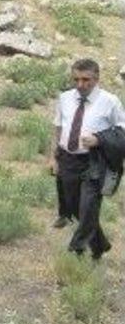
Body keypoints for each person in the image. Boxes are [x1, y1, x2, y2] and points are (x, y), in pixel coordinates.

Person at [51, 58, 125, 259]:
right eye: (76, 79)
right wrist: (54, 157)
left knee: (88, 207)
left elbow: (122, 131)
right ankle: (100, 245)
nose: (80, 84)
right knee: (76, 209)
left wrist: (99, 139)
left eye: (86, 80)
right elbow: (58, 127)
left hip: (95, 162)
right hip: (67, 159)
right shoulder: (65, 98)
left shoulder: (110, 101)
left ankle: (76, 251)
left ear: (96, 78)